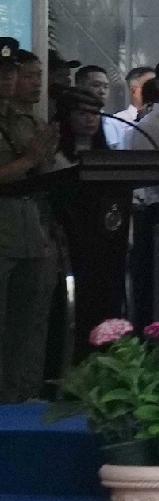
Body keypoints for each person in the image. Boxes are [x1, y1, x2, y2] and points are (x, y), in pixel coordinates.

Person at [0, 47, 58, 405]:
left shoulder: (25, 121)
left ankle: (23, 394)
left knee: (30, 320)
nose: (7, 78)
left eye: (10, 71)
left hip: (30, 228)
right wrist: (30, 160)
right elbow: (26, 165)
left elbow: (45, 172)